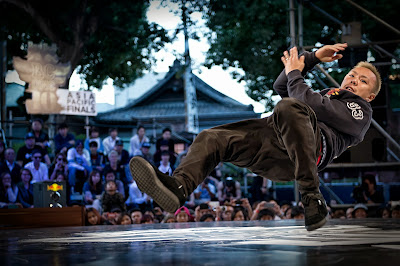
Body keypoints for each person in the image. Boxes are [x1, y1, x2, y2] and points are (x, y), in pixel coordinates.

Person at [129, 43, 382, 231]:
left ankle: (311, 197)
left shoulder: (360, 111)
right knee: (211, 137)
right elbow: (282, 86)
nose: (353, 80)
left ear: (369, 96)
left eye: (362, 81)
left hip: (308, 152)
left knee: (287, 107)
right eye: (352, 75)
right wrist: (312, 57)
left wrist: (296, 73)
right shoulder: (329, 92)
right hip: (272, 147)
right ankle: (179, 187)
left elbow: (306, 101)